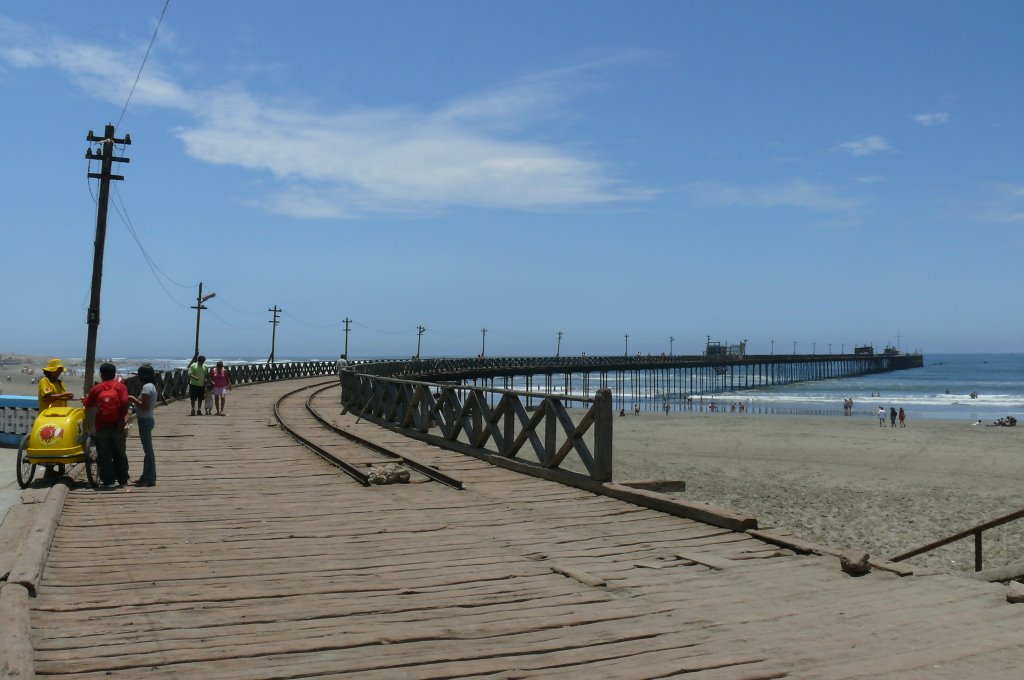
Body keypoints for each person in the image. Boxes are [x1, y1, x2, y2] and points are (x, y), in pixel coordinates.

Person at [82, 362, 130, 489]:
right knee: (120, 453)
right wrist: (121, 418)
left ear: (101, 374)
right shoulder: (120, 387)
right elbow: (125, 401)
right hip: (117, 425)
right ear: (114, 374)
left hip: (101, 425)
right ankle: (123, 480)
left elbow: (88, 404)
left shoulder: (96, 388)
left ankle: (109, 482)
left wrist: (84, 399)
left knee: (104, 454)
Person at [37, 358, 76, 478]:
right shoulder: (45, 381)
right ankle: (49, 469)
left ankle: (59, 466)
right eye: (57, 370)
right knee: (50, 440)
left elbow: (60, 397)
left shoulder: (59, 382)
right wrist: (63, 395)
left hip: (61, 415)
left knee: (59, 439)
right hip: (48, 415)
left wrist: (66, 397)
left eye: (60, 370)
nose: (59, 372)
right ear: (51, 370)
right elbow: (48, 397)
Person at [129, 364, 158, 487]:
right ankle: (146, 476)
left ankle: (150, 477)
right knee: (148, 450)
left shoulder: (146, 387)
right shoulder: (151, 386)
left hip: (145, 420)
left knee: (148, 451)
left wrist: (133, 399)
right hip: (148, 419)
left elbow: (144, 405)